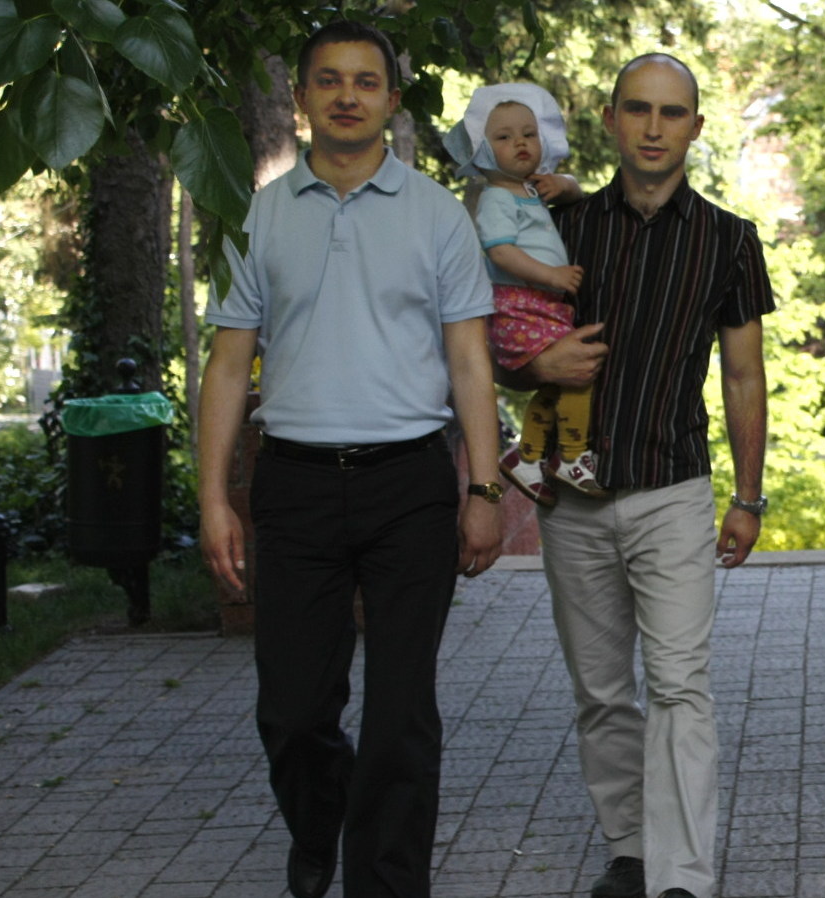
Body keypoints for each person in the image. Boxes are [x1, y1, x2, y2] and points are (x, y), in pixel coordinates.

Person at [196, 20, 502, 898]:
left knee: (401, 712)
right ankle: (318, 819)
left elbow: (470, 360)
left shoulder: (436, 214)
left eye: (365, 82)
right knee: (293, 712)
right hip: (292, 484)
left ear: (390, 101)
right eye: (328, 80)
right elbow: (228, 365)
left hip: (409, 484)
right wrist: (213, 497)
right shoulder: (259, 214)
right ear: (301, 98)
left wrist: (483, 489)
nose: (346, 96)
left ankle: (386, 882)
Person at [496, 53, 772, 898]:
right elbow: (501, 338)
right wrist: (536, 365)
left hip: (672, 488)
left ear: (695, 126)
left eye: (672, 112)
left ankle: (680, 876)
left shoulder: (729, 238)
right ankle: (630, 849)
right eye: (639, 109)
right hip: (573, 497)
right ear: (612, 119)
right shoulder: (560, 226)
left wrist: (749, 497)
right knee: (602, 692)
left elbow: (743, 375)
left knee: (681, 685)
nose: (654, 127)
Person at [444, 83, 599, 504]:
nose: (520, 143)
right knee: (581, 375)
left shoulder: (530, 191)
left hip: (541, 305)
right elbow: (501, 252)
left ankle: (527, 457)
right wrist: (551, 275)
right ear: (482, 150)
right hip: (520, 306)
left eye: (529, 134)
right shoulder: (496, 197)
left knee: (558, 382)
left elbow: (577, 192)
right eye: (504, 137)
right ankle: (572, 455)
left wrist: (563, 184)